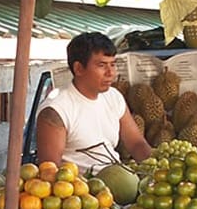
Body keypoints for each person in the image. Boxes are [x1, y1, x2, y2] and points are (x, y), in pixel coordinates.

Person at [36, 32, 151, 172]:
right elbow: (50, 171)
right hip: (81, 188)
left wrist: (154, 168)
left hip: (117, 179)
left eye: (113, 65)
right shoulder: (56, 110)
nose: (111, 73)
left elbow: (136, 143)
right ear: (78, 68)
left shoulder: (114, 97)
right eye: (102, 65)